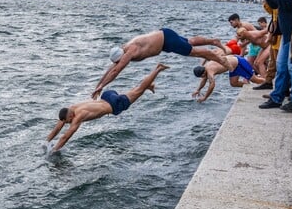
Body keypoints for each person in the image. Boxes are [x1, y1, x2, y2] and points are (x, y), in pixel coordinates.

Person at [46, 63, 169, 152]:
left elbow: (66, 137)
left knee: (139, 90)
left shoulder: (79, 116)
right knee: (135, 92)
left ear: (71, 116)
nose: (69, 123)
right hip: (107, 96)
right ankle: (149, 86)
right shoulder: (72, 108)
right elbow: (58, 127)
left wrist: (53, 151)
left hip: (114, 105)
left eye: (69, 121)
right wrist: (47, 141)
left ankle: (157, 69)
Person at [92, 28, 228, 99]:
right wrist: (99, 85)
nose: (118, 63)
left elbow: (116, 71)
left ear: (121, 56)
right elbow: (112, 68)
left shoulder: (129, 52)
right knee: (189, 41)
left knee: (195, 52)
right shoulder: (123, 48)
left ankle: (218, 58)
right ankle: (213, 41)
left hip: (167, 40)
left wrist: (103, 85)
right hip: (164, 39)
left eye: (119, 61)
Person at [192, 55, 265, 102]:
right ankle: (249, 85)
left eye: (202, 76)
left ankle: (269, 83)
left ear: (204, 73)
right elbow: (204, 79)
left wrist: (205, 97)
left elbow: (212, 85)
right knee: (233, 83)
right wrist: (198, 90)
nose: (203, 78)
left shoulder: (210, 71)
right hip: (232, 67)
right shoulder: (205, 69)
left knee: (256, 80)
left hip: (239, 63)